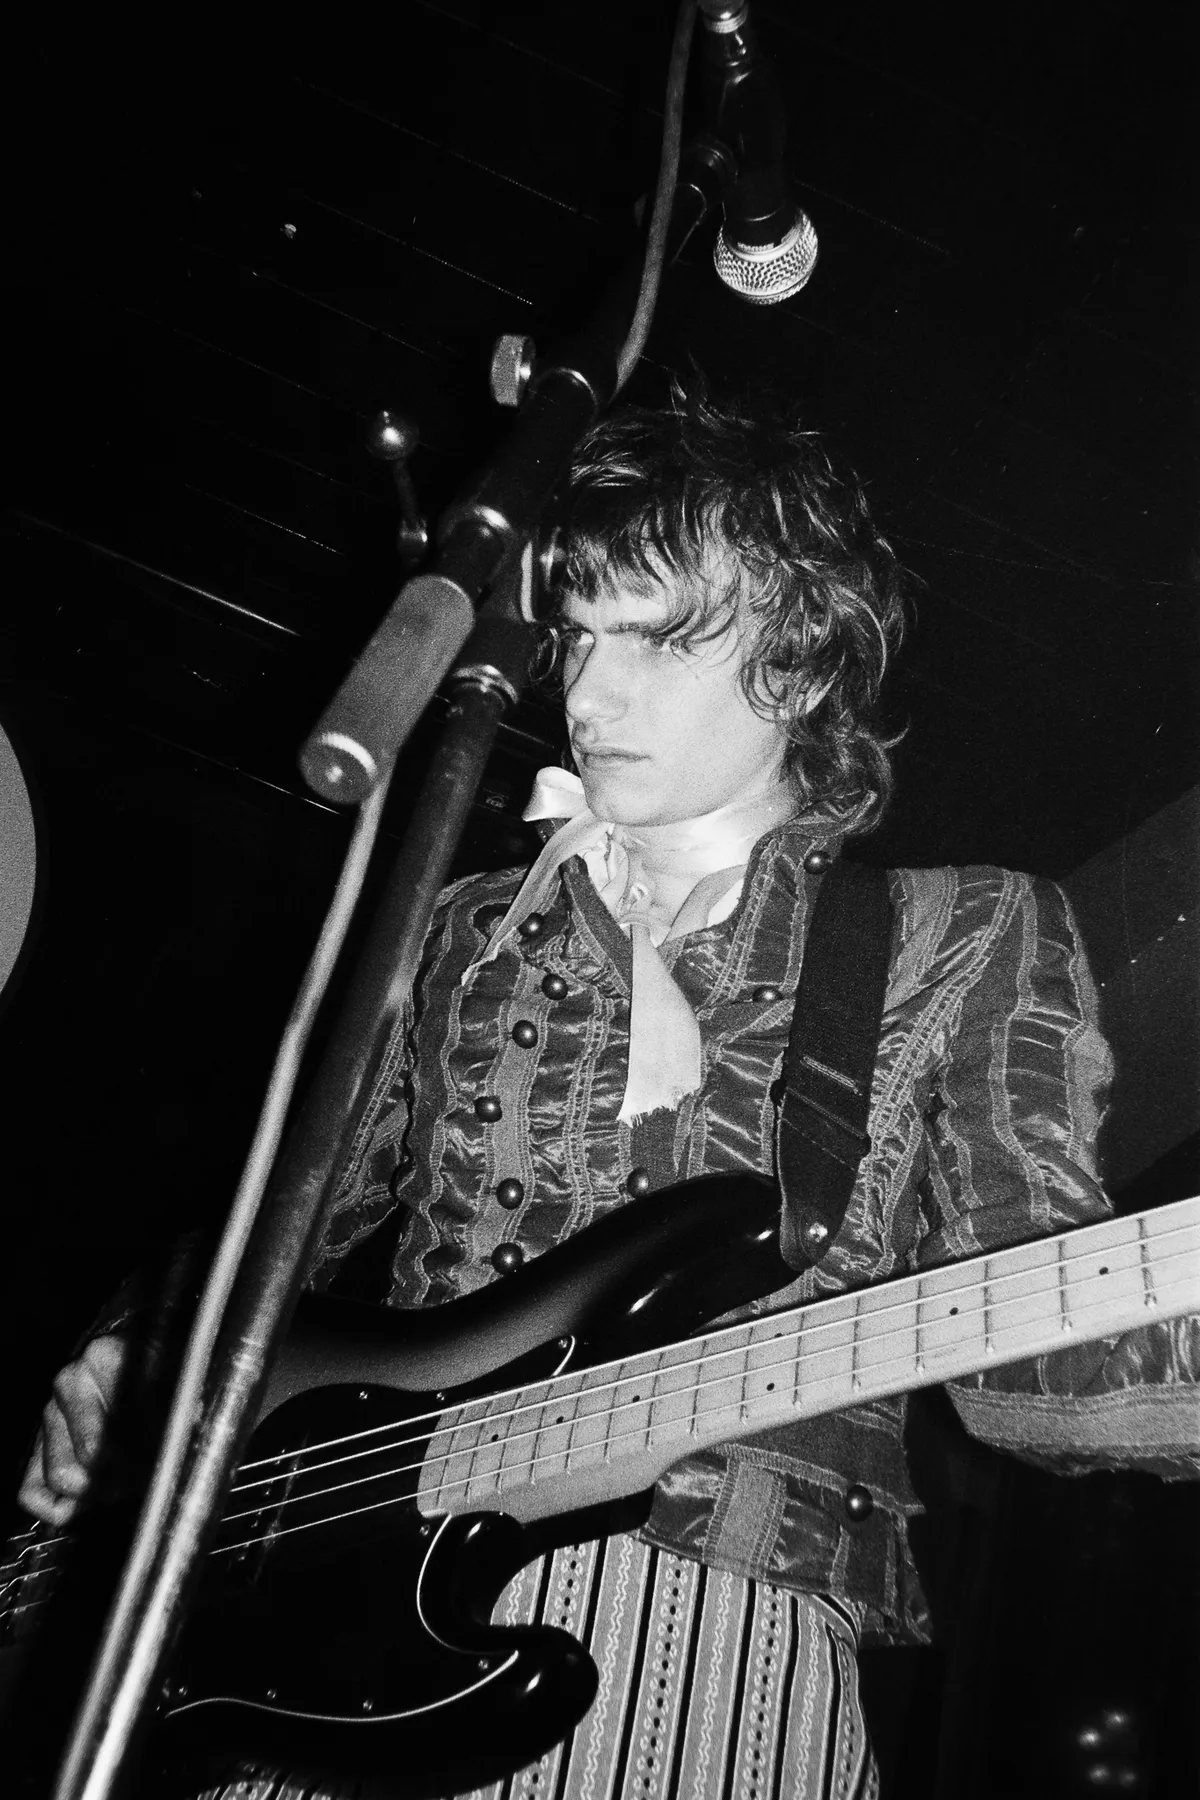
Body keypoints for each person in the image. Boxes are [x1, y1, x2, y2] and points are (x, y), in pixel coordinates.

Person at [20, 383, 1147, 1797]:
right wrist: (136, 1349)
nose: (588, 698)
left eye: (658, 640)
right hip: (332, 1611)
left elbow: (1043, 1344)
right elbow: (274, 1223)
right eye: (576, 636)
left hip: (707, 1611)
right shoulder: (457, 922)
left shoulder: (958, 930)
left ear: (801, 665)